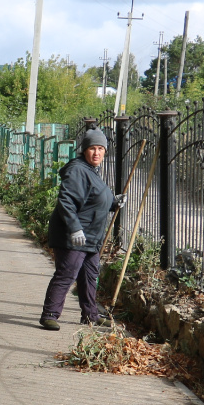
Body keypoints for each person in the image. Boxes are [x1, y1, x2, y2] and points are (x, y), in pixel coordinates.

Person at [40, 129, 123, 330]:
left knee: (89, 275)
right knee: (67, 274)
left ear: (105, 151)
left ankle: (90, 315)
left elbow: (94, 198)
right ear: (85, 150)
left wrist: (114, 202)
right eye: (92, 148)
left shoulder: (90, 171)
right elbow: (66, 201)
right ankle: (49, 314)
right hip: (74, 236)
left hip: (91, 237)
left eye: (100, 149)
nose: (96, 153)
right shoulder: (77, 169)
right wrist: (75, 229)